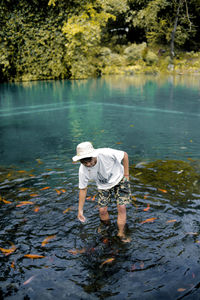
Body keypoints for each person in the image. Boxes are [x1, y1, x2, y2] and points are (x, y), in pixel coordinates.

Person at [73, 141, 131, 242]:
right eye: (84, 162)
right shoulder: (83, 169)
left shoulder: (106, 153)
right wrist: (80, 210)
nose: (88, 164)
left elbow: (124, 155)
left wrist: (126, 175)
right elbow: (83, 189)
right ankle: (106, 228)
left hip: (120, 179)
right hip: (103, 186)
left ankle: (121, 233)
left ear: (94, 155)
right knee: (102, 210)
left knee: (121, 207)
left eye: (90, 161)